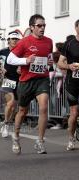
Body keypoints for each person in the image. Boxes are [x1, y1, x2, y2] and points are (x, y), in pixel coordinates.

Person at [7, 14, 54, 154]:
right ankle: (15, 136)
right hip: (26, 81)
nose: (42, 28)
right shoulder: (24, 42)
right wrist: (25, 61)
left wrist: (50, 63)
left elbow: (48, 58)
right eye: (39, 25)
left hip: (42, 79)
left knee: (44, 106)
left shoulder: (49, 41)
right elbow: (10, 59)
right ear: (32, 27)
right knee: (22, 111)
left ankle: (40, 141)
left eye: (44, 25)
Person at [57, 19, 79, 151]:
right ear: (76, 28)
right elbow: (60, 63)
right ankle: (71, 139)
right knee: (74, 112)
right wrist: (69, 66)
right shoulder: (69, 43)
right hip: (73, 84)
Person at [0, 30, 21, 138]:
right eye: (13, 39)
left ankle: (6, 122)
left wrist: (22, 68)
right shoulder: (2, 52)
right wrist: (0, 69)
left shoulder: (21, 52)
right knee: (10, 103)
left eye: (17, 39)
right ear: (8, 40)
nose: (15, 41)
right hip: (7, 80)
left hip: (19, 80)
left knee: (14, 107)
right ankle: (6, 125)